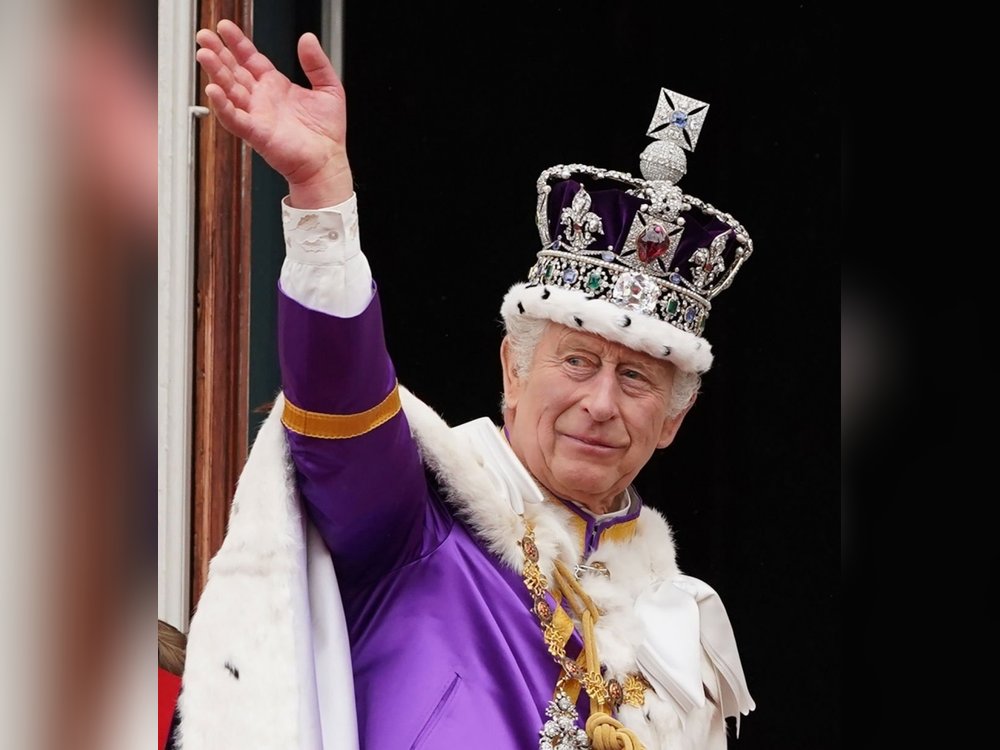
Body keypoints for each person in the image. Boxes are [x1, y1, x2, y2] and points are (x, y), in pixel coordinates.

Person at [179, 19, 755, 750]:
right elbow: (340, 403)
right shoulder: (418, 524)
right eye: (576, 361)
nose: (601, 403)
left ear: (673, 420)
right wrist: (322, 195)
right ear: (513, 371)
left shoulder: (682, 629)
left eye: (636, 376)